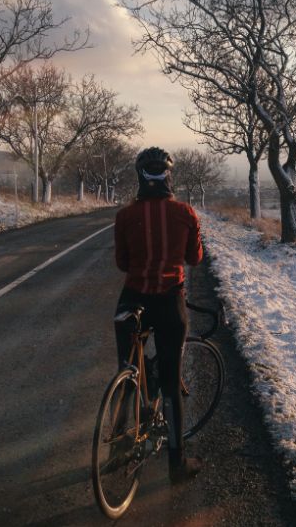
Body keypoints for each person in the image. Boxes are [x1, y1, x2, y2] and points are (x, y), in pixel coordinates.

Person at [113, 146, 204, 484]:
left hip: (131, 300)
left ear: (140, 177)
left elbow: (122, 263)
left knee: (126, 371)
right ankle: (177, 465)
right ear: (169, 176)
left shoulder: (125, 216)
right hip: (169, 301)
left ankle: (116, 446)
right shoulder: (185, 213)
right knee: (169, 382)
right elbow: (194, 259)